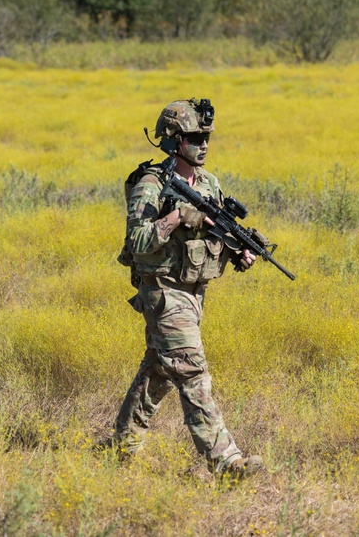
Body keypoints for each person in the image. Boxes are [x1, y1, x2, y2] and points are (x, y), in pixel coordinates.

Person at [103, 98, 263, 481]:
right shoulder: (151, 185)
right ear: (174, 141)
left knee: (159, 369)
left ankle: (120, 447)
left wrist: (239, 251)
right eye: (194, 137)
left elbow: (214, 231)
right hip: (162, 290)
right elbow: (138, 241)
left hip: (194, 292)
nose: (203, 144)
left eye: (206, 136)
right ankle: (226, 463)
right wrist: (176, 216)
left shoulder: (209, 184)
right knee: (191, 370)